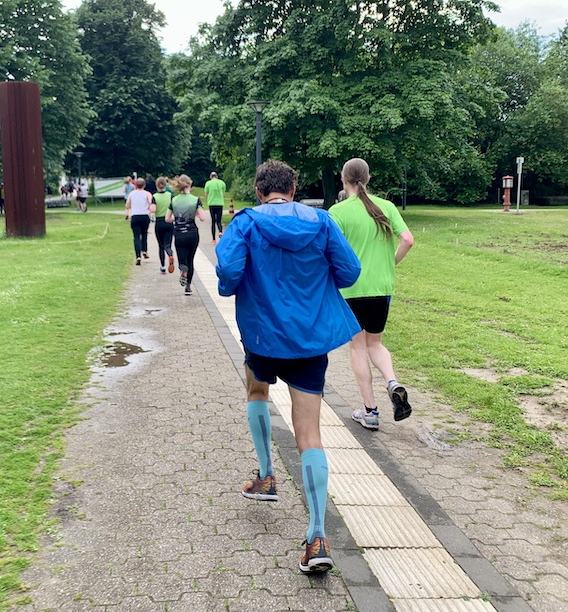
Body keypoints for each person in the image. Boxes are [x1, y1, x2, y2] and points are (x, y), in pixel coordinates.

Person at [215, 160, 361, 574]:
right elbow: (350, 272)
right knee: (309, 433)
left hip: (262, 337)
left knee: (256, 391)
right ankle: (317, 538)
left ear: (259, 192)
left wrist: (235, 285)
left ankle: (266, 476)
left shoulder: (245, 223)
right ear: (293, 189)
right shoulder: (322, 221)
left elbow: (228, 272)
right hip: (310, 340)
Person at [329, 158, 415, 430]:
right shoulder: (386, 207)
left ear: (343, 179)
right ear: (368, 178)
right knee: (375, 344)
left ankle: (370, 411)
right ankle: (392, 382)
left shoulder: (338, 211)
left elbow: (331, 250)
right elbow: (408, 239)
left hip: (351, 288)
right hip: (381, 287)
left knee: (358, 347)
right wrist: (391, 263)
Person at [165, 174, 204, 295]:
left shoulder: (174, 200)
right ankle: (188, 287)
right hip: (192, 233)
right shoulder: (195, 200)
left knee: (183, 260)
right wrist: (195, 213)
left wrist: (177, 218)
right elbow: (202, 218)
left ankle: (183, 269)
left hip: (179, 234)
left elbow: (167, 219)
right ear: (190, 184)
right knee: (190, 259)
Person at [125, 177, 153, 265]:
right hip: (144, 216)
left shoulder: (132, 194)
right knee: (144, 234)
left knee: (136, 236)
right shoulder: (147, 194)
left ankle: (138, 256)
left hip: (135, 216)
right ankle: (144, 250)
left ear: (136, 185)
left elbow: (127, 205)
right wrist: (149, 211)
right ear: (144, 185)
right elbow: (151, 203)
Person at [152, 177, 175, 275]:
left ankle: (162, 266)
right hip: (169, 222)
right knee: (167, 244)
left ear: (156, 185)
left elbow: (153, 209)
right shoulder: (170, 196)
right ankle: (170, 254)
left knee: (160, 246)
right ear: (166, 185)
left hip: (159, 222)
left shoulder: (154, 196)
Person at [204, 171, 227, 244]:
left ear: (211, 177)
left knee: (213, 221)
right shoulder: (222, 183)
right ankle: (220, 231)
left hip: (211, 204)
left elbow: (206, 194)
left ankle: (214, 239)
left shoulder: (208, 183)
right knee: (219, 220)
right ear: (217, 176)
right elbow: (223, 194)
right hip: (220, 203)